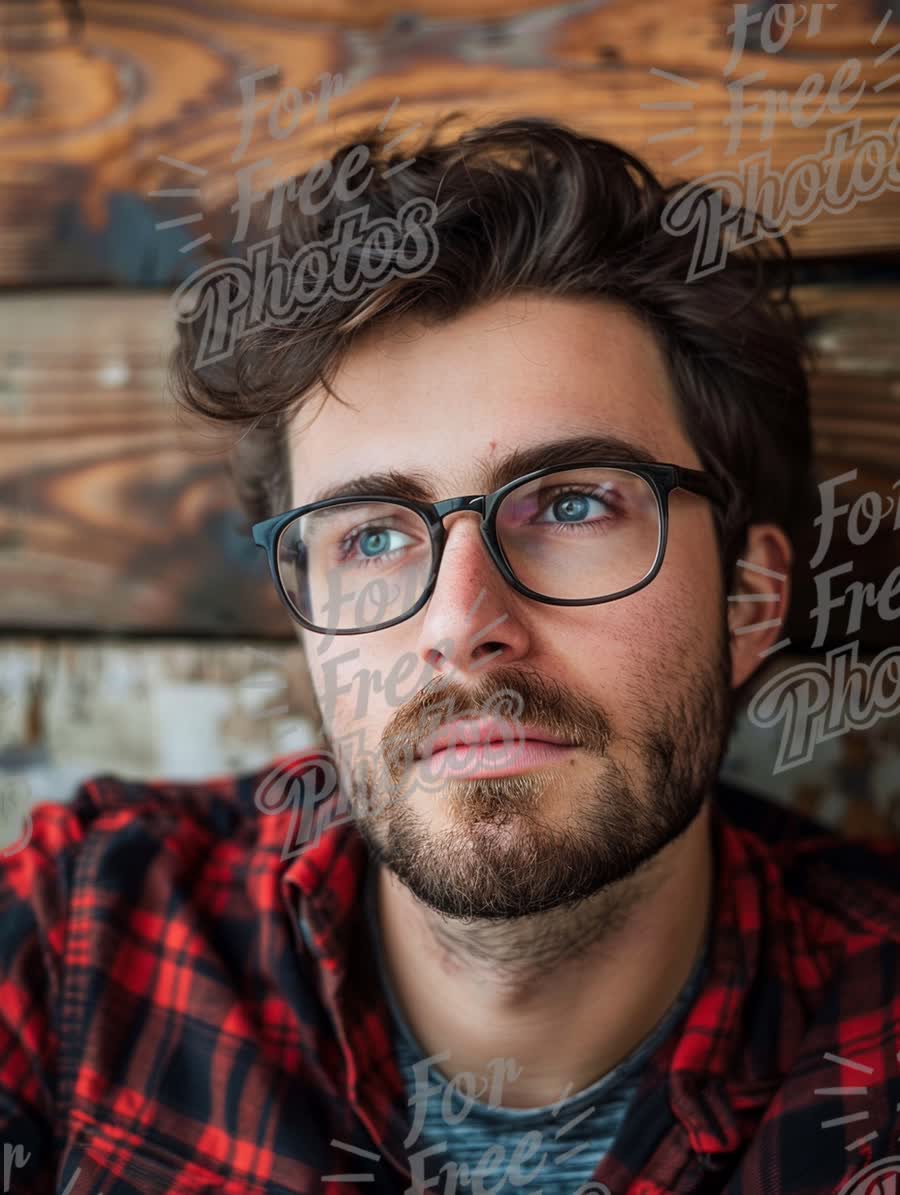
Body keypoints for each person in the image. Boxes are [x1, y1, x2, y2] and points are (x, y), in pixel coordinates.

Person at [2, 116, 899, 1195]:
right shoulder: (76, 945)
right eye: (373, 535)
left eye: (572, 503)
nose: (460, 622)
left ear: (751, 600)